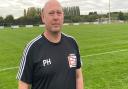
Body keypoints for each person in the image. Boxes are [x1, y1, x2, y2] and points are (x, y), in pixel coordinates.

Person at [16, 0, 83, 89]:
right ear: (43, 17)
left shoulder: (72, 42)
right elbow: (23, 84)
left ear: (63, 16)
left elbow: (78, 76)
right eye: (51, 13)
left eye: (59, 13)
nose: (56, 17)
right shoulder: (32, 48)